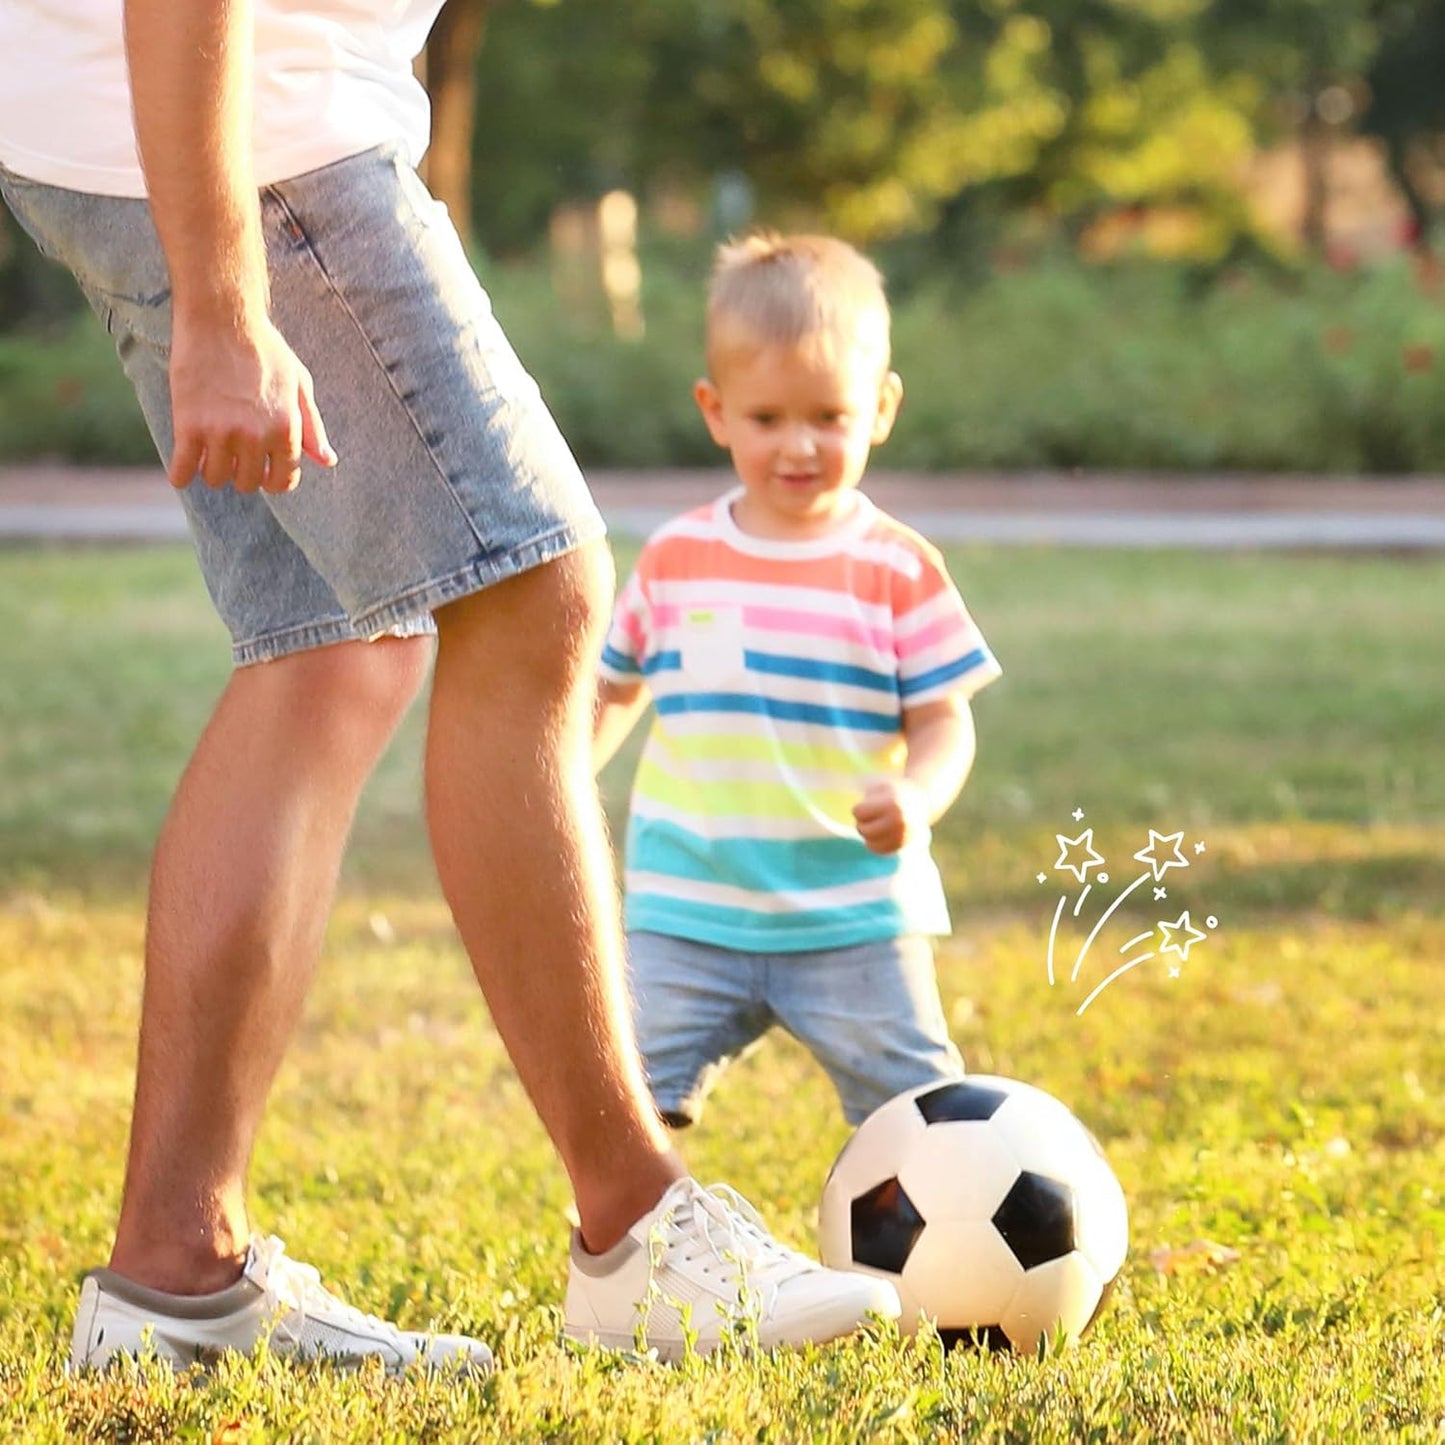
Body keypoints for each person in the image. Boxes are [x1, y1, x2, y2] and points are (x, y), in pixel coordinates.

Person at [0, 3, 899, 1371]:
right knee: (533, 594)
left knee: (333, 649)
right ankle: (636, 1230)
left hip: (162, 120)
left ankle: (173, 1284)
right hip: (249, 125)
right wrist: (225, 304)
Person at [594, 233, 1002, 1131]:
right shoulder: (676, 558)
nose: (799, 445)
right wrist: (559, 778)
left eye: (828, 415)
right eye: (767, 418)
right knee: (619, 1108)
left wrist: (917, 793)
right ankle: (627, 1255)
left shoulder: (896, 566)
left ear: (881, 407)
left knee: (926, 1122)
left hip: (852, 913)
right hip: (685, 908)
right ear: (715, 410)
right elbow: (613, 690)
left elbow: (944, 719)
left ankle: (941, 1262)